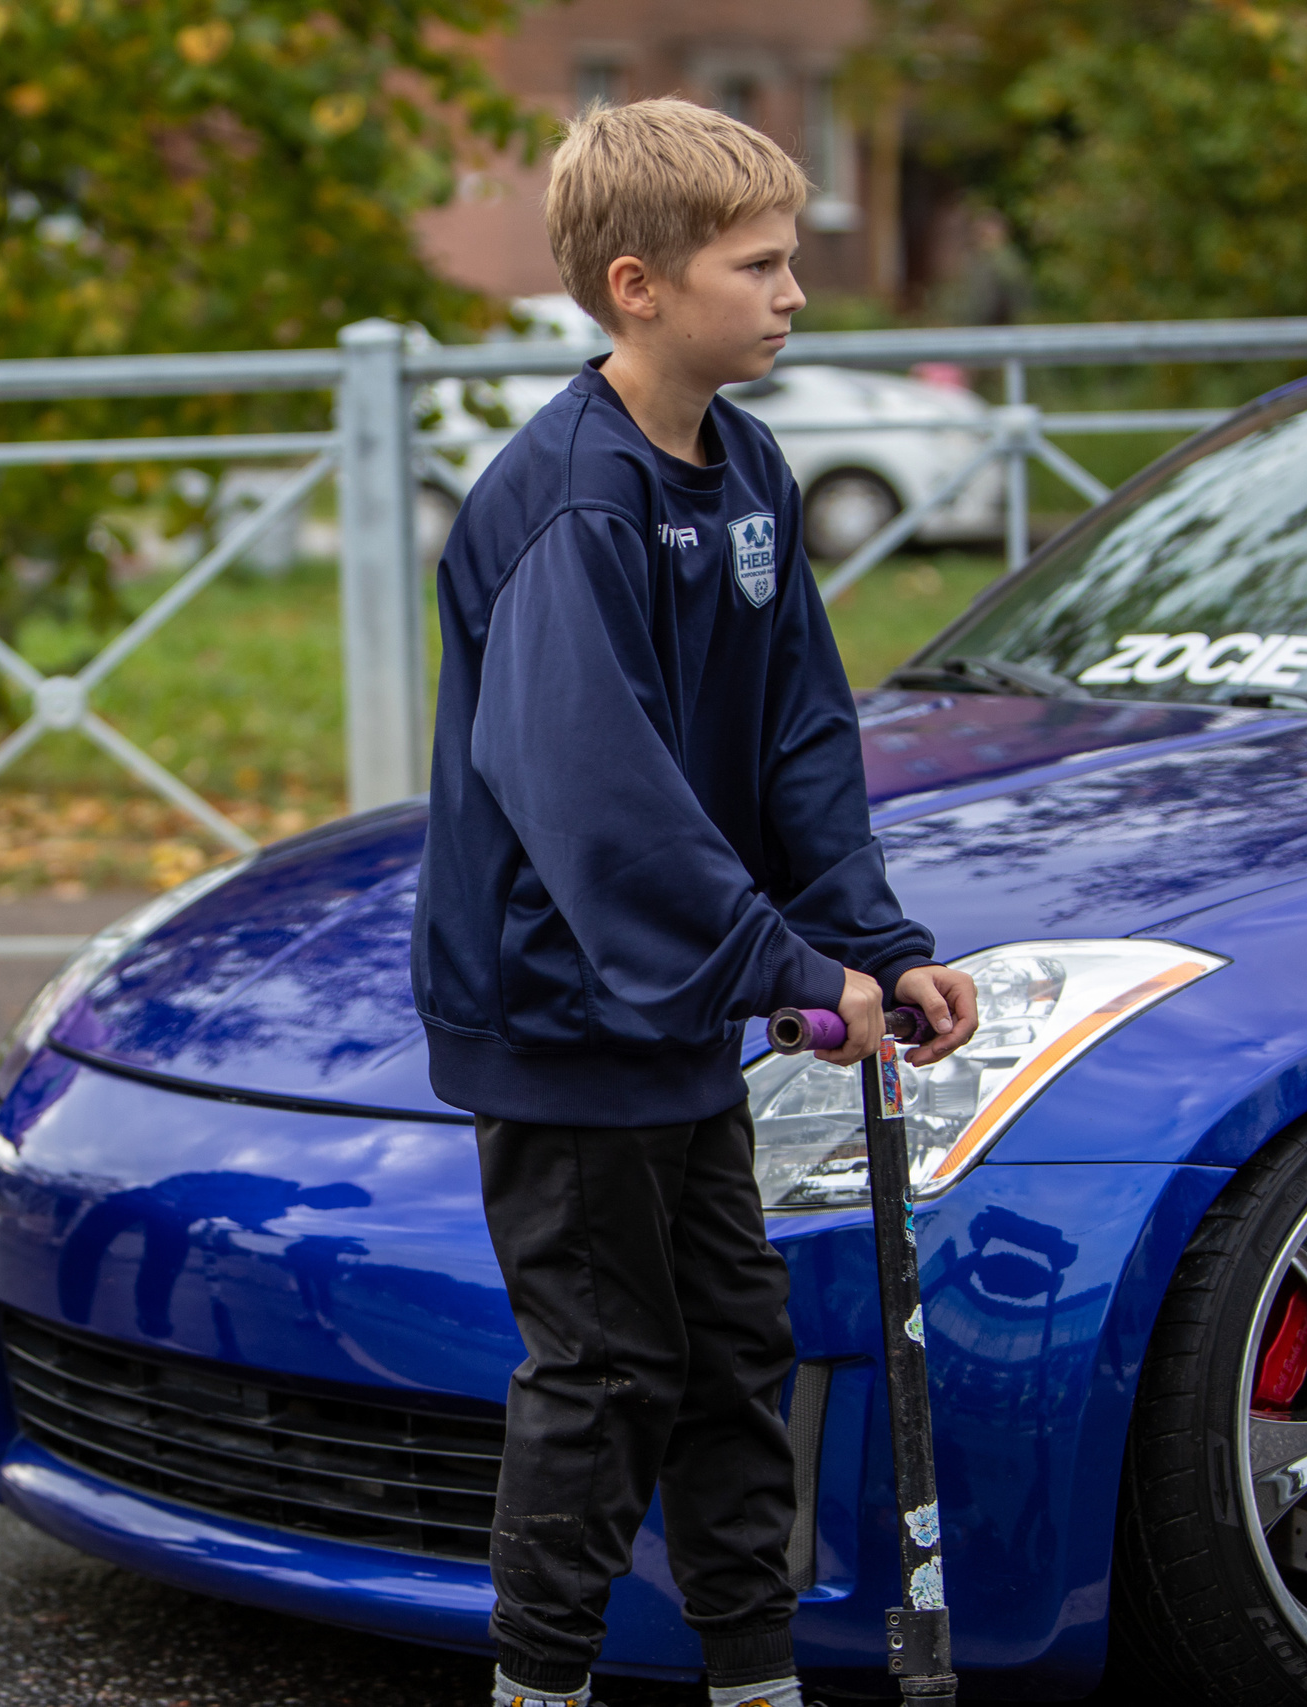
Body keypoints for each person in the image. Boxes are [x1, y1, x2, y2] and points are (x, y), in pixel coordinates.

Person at [408, 100, 983, 1707]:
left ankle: (755, 1674)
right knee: (605, 1371)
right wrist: (774, 965)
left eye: (792, 257)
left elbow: (800, 735)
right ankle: (541, 1681)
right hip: (563, 1013)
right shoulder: (575, 500)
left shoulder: (746, 465)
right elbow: (597, 798)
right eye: (761, 264)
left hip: (673, 1009)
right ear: (639, 284)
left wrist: (874, 943)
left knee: (734, 1349)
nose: (796, 291)